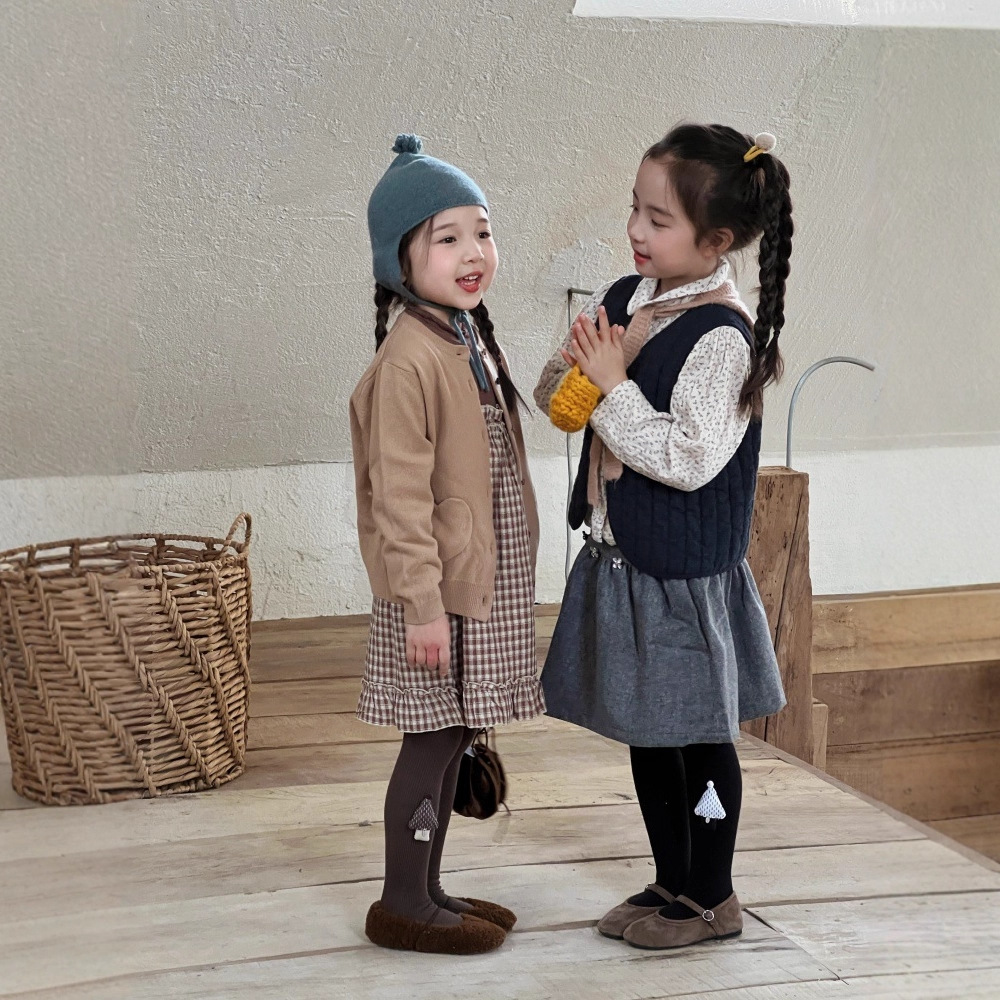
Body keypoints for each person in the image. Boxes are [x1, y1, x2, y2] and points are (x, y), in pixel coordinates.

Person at [535, 124, 791, 950]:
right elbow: (556, 385)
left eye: (659, 219)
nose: (636, 230)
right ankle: (672, 876)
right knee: (651, 731)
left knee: (698, 733)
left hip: (681, 575)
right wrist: (578, 379)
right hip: (626, 561)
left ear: (715, 241)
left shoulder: (721, 339)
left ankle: (712, 895)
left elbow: (686, 460)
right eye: (634, 210)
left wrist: (611, 386)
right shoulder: (628, 295)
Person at [350, 134, 544, 955]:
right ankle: (402, 901)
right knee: (431, 738)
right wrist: (422, 606)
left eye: (483, 232)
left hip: (475, 588)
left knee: (456, 735)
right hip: (436, 598)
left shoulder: (462, 336)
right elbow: (398, 501)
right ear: (400, 259)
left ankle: (428, 889)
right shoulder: (409, 360)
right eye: (447, 237)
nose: (473, 253)